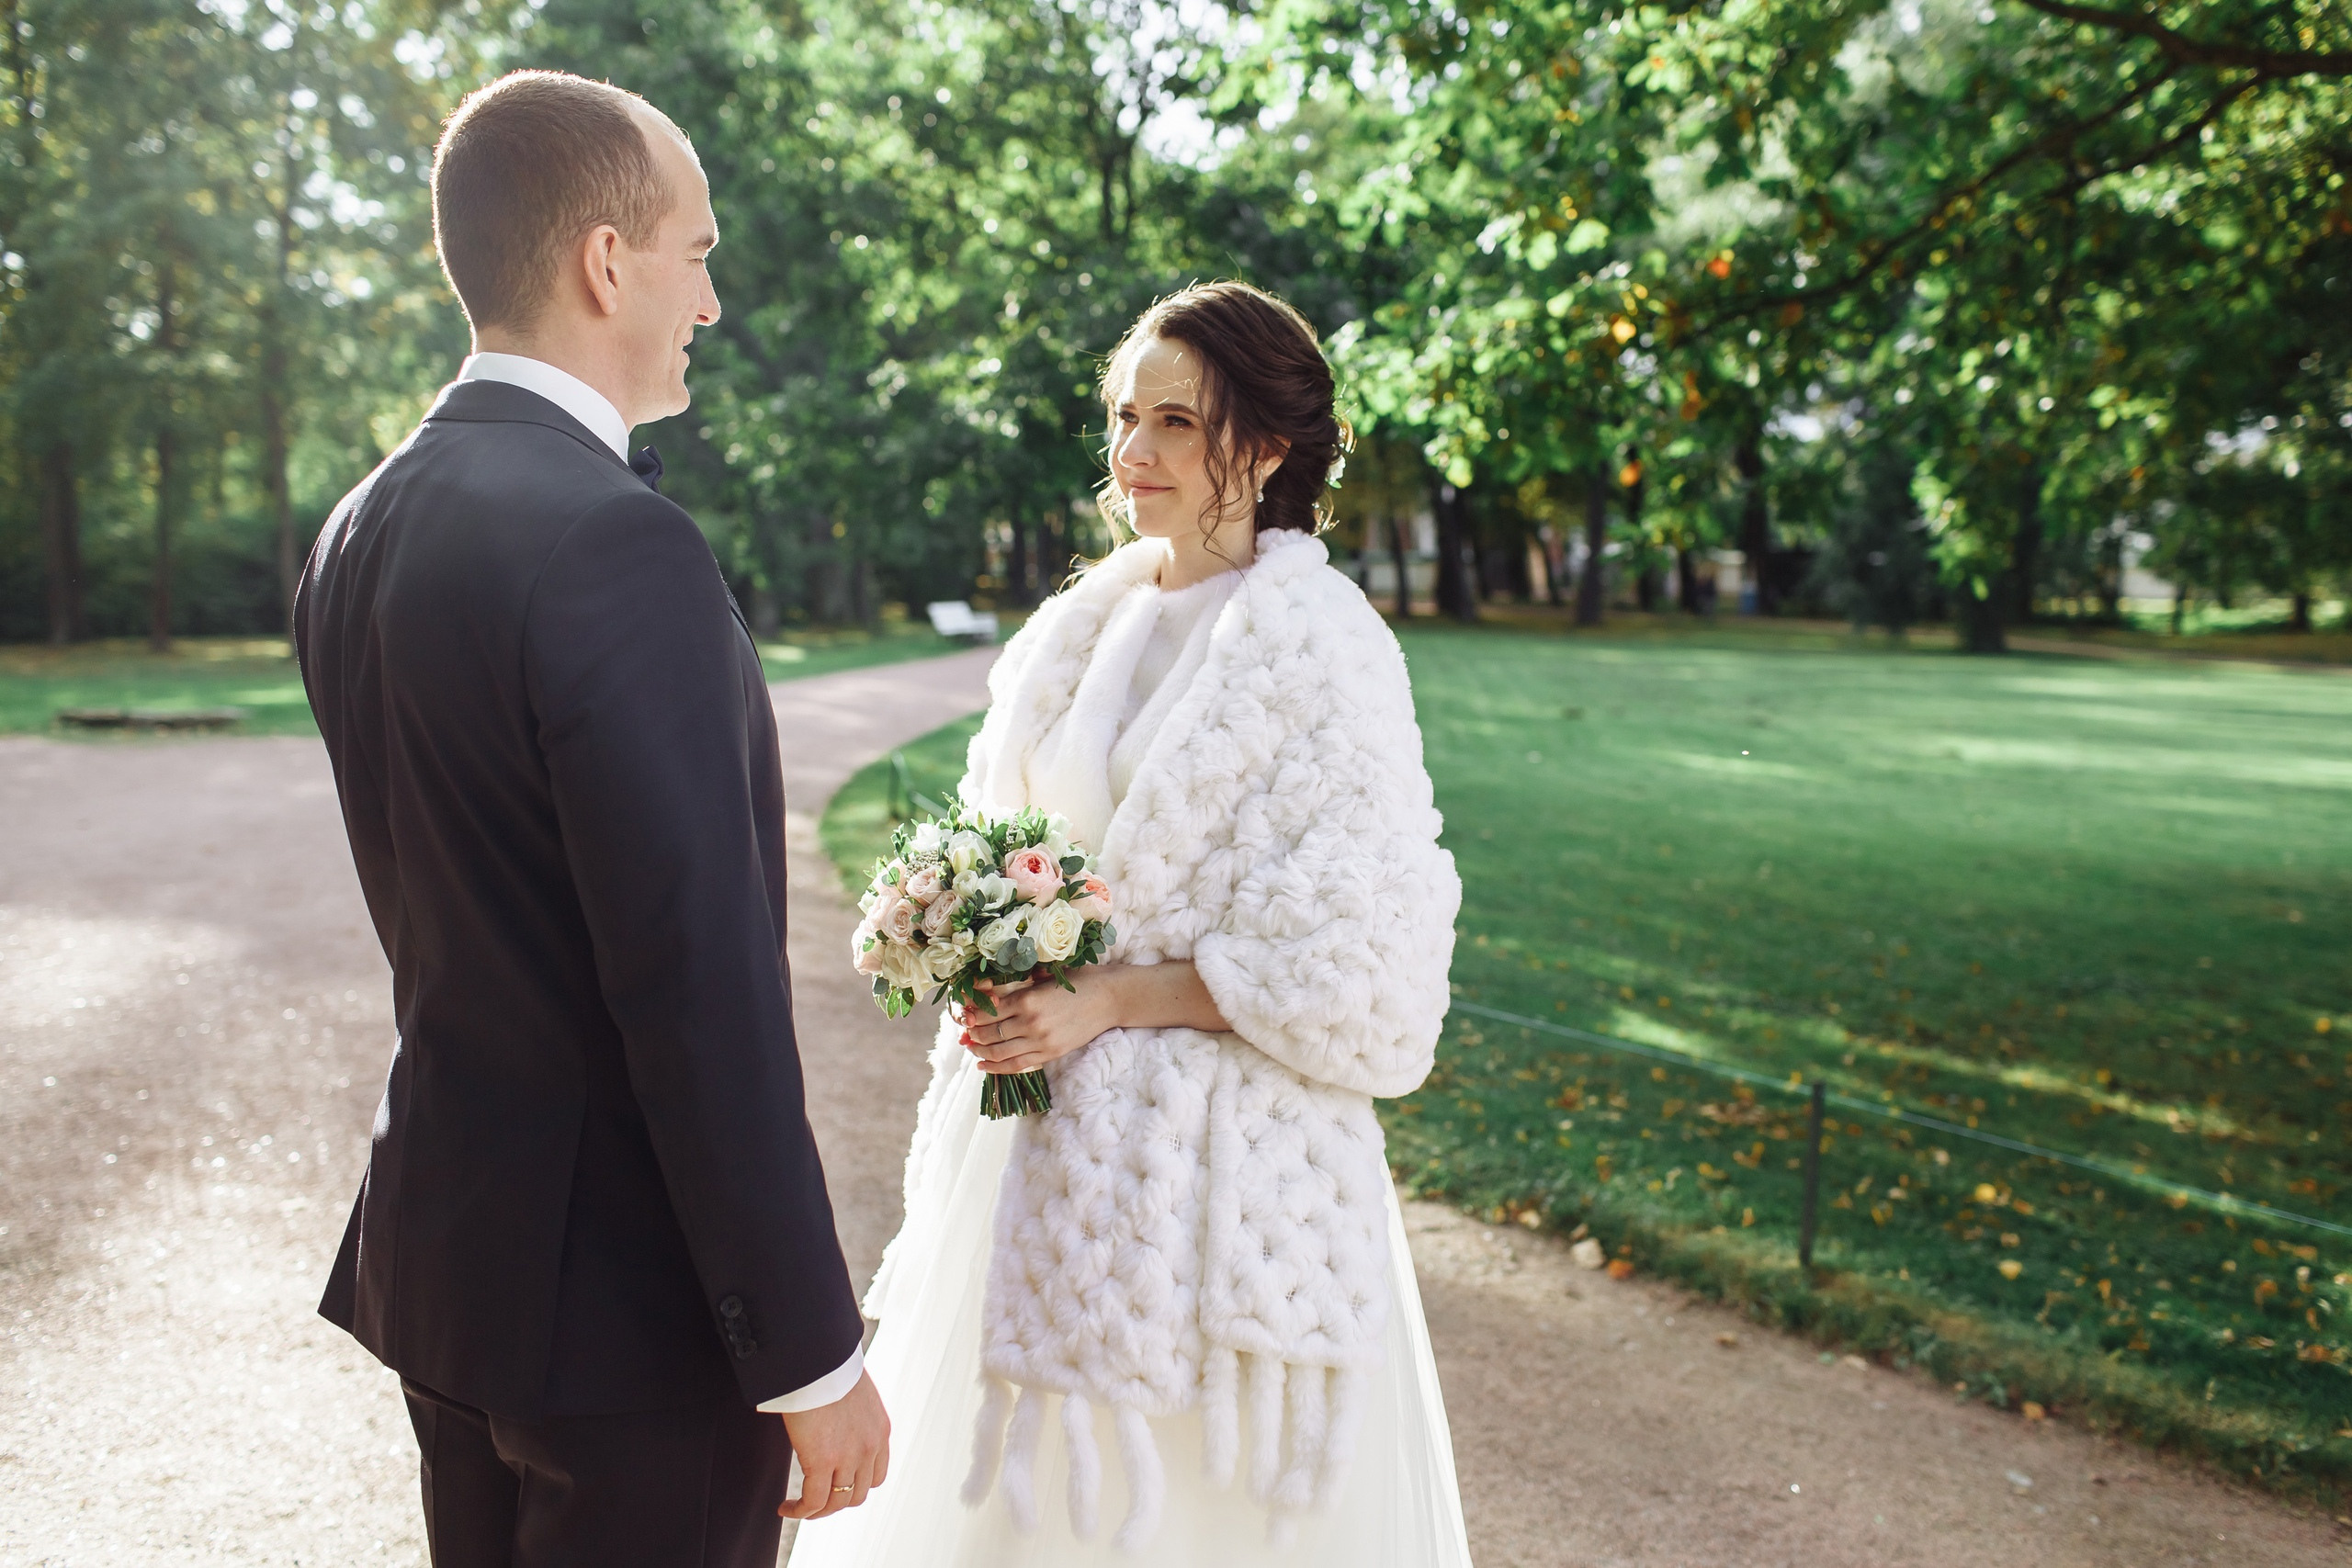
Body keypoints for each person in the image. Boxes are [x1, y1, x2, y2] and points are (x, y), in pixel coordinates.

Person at [294, 71, 888, 1567]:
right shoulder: (617, 542)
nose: (712, 297)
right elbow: (696, 985)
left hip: (455, 1264)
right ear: (605, 261)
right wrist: (811, 1354)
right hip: (631, 1321)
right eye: (697, 252)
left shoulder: (359, 526)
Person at [789, 282, 1472, 1565]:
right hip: (1038, 1149)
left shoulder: (1325, 647)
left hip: (1217, 1179)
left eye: (1175, 421)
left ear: (1263, 448)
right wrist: (974, 933)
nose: (1133, 453)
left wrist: (1108, 999)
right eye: (1123, 416)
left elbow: (1368, 961)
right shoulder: (1082, 625)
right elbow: (1017, 840)